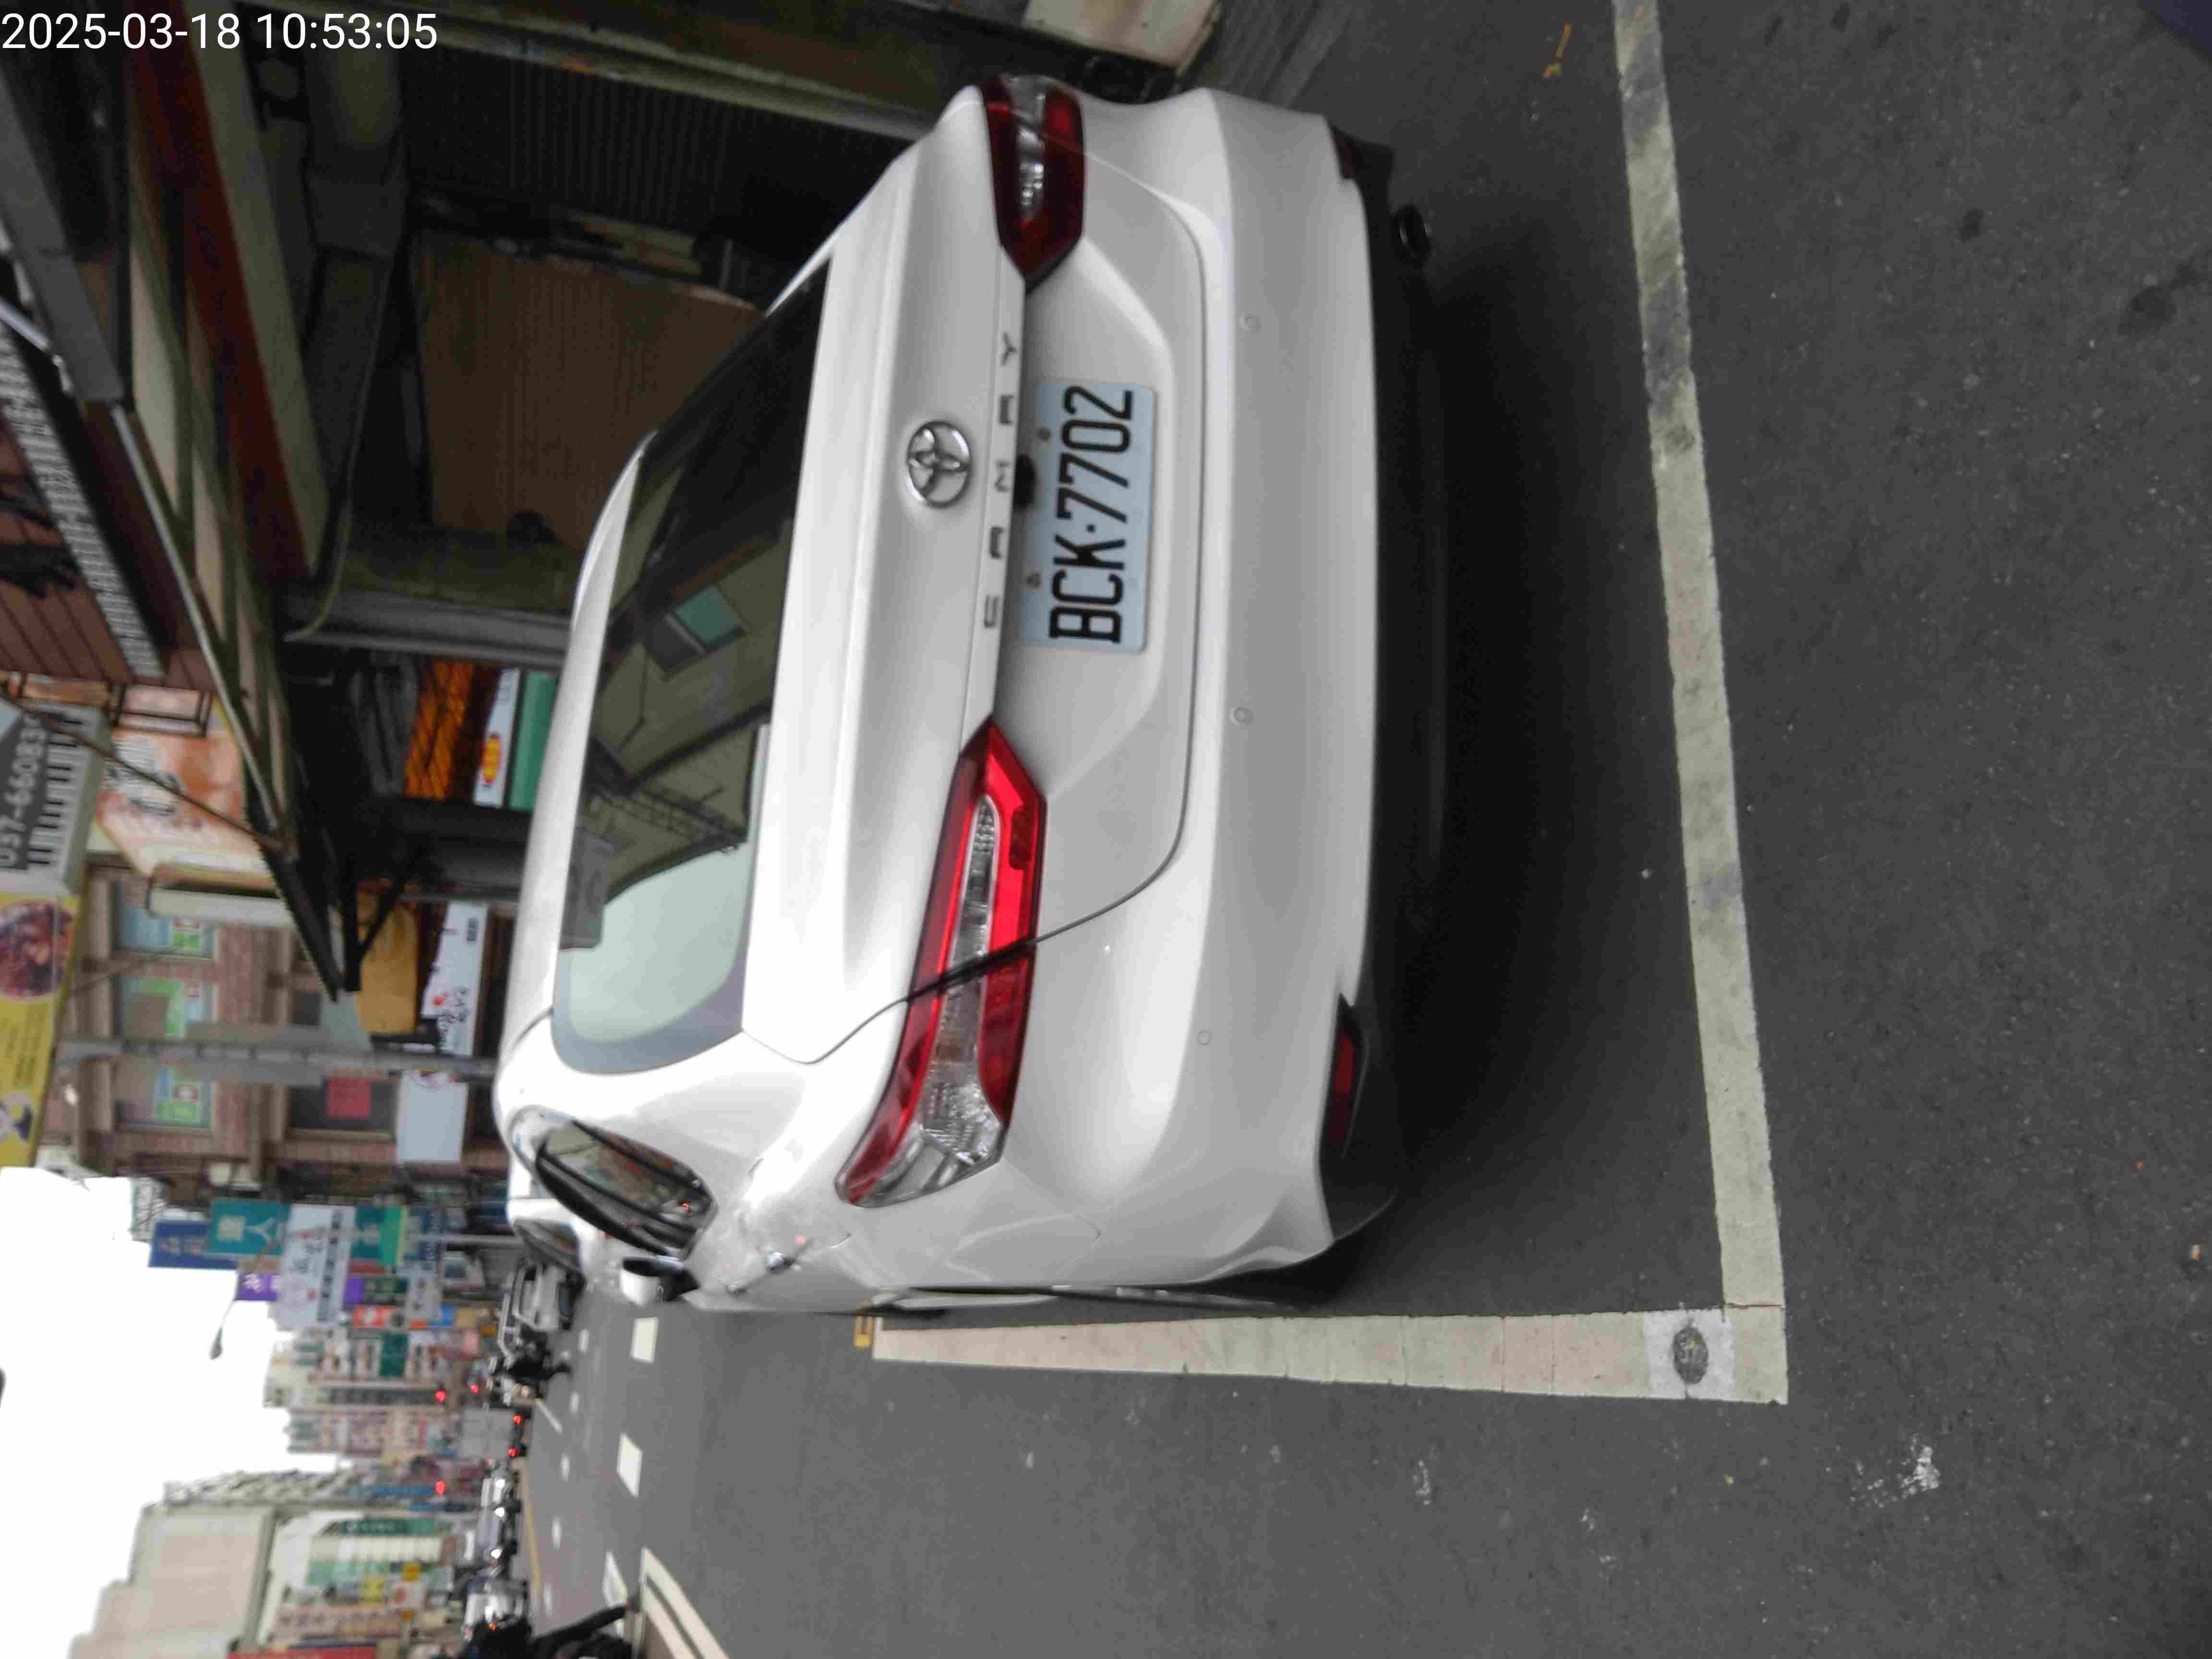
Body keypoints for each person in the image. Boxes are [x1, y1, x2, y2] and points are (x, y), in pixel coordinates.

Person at [455, 1595, 635, 1659]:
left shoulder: (478, 1639)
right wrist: (515, 1625)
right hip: (540, 1650)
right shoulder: (478, 1641)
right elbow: (516, 1630)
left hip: (542, 1650)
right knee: (583, 1629)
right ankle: (625, 1609)